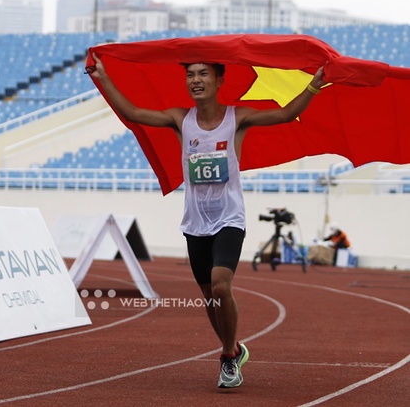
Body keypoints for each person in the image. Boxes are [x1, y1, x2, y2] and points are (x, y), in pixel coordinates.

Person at [87, 52, 327, 388]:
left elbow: (286, 114)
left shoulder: (236, 117)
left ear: (219, 80)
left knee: (220, 285)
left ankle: (228, 356)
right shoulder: (180, 119)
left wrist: (313, 88)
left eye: (203, 74)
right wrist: (102, 77)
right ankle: (234, 348)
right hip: (195, 223)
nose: (195, 80)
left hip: (229, 218)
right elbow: (132, 113)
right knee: (210, 298)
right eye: (191, 75)